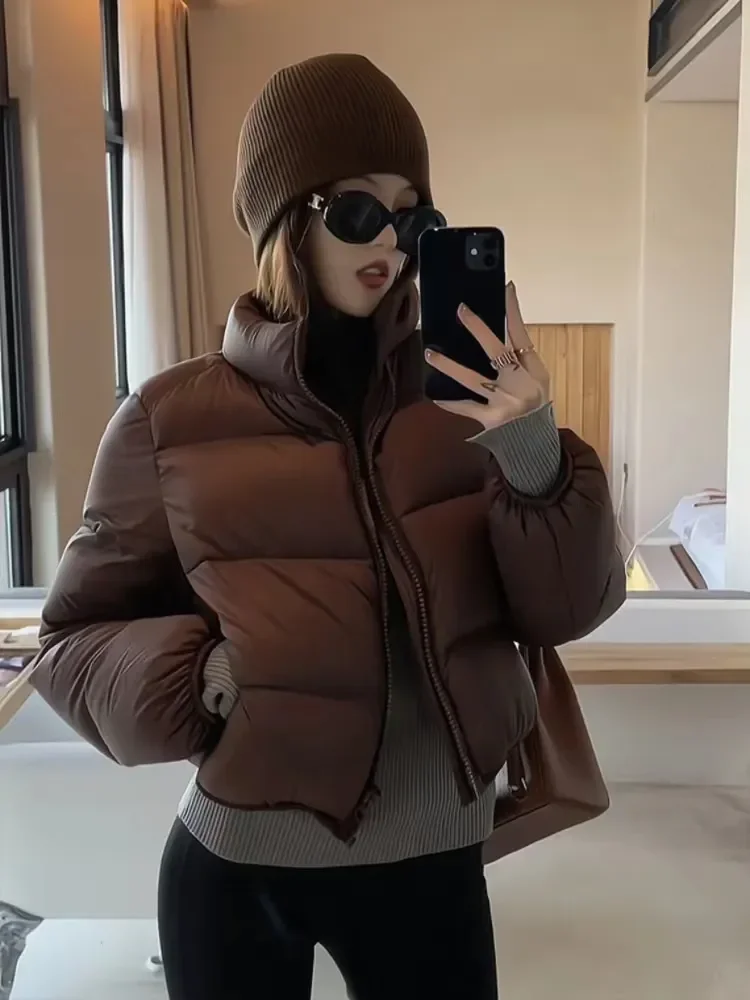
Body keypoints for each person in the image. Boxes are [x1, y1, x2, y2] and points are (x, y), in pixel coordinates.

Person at [31, 53, 625, 1000]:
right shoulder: (168, 418)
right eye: (356, 210)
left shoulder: (469, 401)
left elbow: (567, 609)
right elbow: (70, 640)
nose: (389, 239)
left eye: (413, 214)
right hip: (239, 867)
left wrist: (531, 446)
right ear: (287, 222)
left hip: (432, 865)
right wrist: (203, 674)